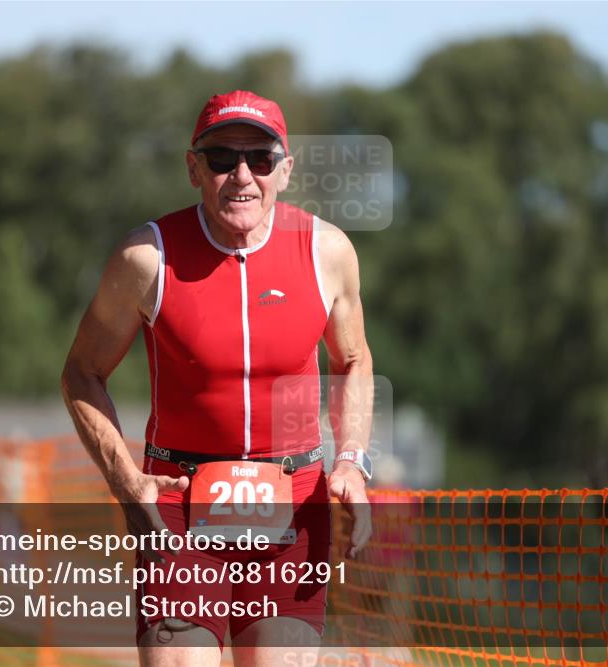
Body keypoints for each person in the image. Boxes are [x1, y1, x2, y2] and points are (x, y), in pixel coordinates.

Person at [62, 90, 375, 666]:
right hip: (178, 507)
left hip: (294, 504)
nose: (241, 176)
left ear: (285, 169)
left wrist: (353, 460)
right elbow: (82, 372)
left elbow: (353, 361)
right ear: (192, 168)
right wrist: (125, 481)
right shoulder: (146, 258)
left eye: (259, 159)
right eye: (221, 158)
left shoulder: (327, 251)